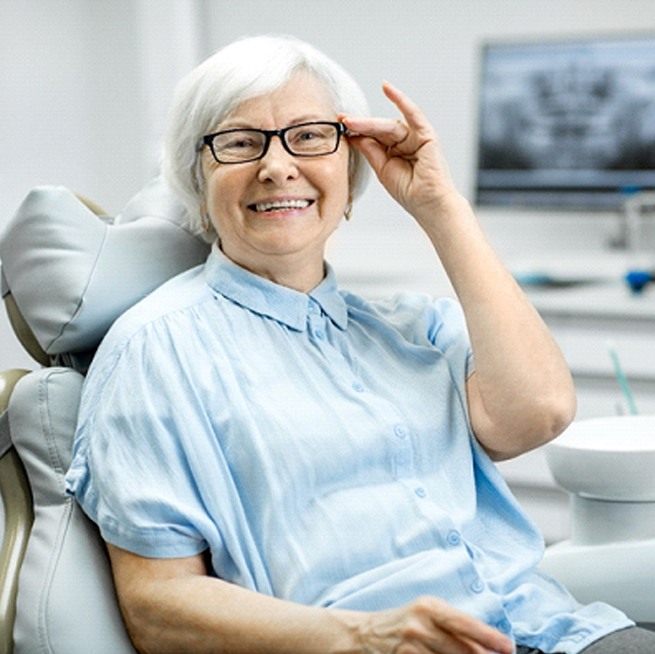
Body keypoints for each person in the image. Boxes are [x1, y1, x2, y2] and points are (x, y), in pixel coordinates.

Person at [66, 35, 653, 654]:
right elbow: (158, 605)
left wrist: (440, 208)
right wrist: (362, 635)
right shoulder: (155, 351)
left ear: (351, 168)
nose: (276, 165)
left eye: (311, 135)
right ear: (196, 177)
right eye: (239, 142)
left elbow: (539, 414)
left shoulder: (412, 327)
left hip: (559, 629)